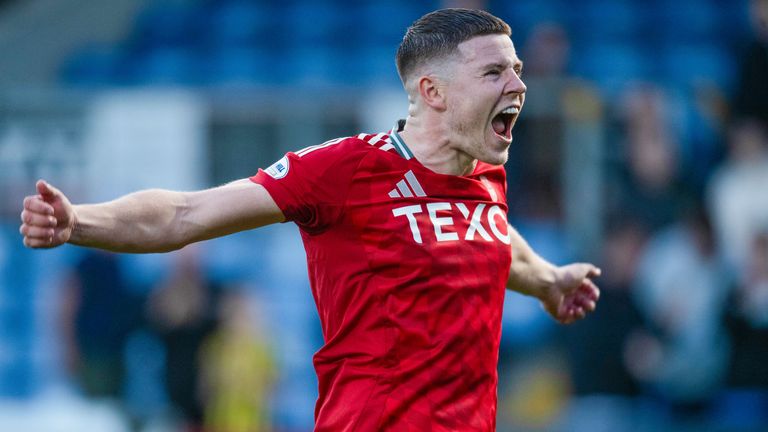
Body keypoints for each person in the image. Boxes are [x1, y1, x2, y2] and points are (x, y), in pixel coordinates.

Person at [19, 8, 600, 431]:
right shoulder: (345, 169)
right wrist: (79, 222)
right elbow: (186, 212)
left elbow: (492, 239)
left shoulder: (485, 179)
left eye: (518, 68)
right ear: (434, 91)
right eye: (495, 72)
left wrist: (548, 280)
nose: (520, 85)